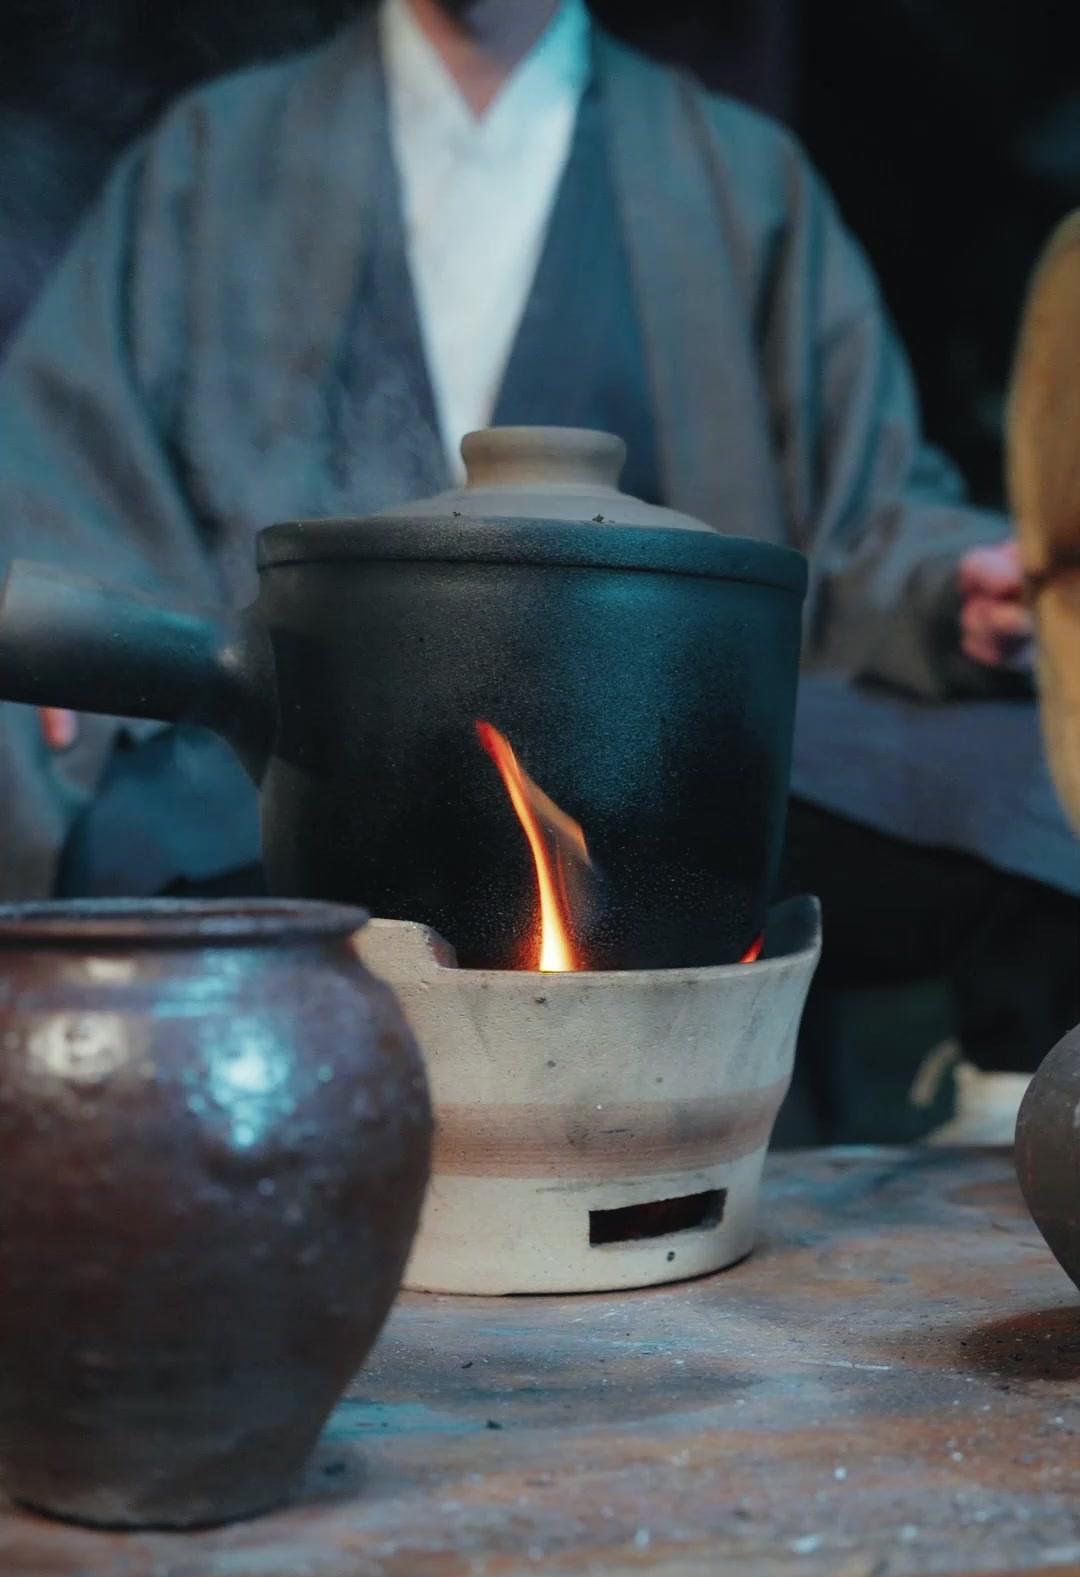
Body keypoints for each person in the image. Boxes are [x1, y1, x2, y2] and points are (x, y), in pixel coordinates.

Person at [0, 0, 1076, 1138]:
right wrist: (80, 611)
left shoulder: (735, 172)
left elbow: (866, 517)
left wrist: (957, 589)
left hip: (662, 762)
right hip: (305, 757)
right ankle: (212, 1150)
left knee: (1027, 787)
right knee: (113, 813)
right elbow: (71, 476)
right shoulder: (217, 154)